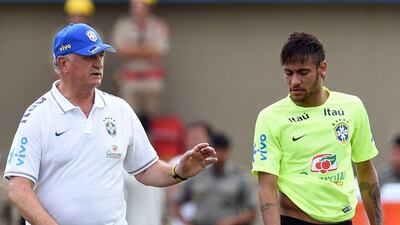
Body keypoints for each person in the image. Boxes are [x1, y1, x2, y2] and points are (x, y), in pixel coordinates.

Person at [3, 23, 217, 225]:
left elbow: (146, 169)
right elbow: (18, 189)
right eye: (88, 56)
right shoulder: (38, 115)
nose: (98, 62)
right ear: (63, 63)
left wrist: (178, 171)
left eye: (101, 54)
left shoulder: (119, 109)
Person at [251, 32, 382, 225]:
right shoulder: (270, 117)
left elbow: (366, 172)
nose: (294, 81)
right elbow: (267, 187)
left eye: (303, 72)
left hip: (343, 220)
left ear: (322, 68)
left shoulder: (352, 107)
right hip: (294, 219)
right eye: (288, 73)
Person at [172, 133, 258, 225]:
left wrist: (232, 221)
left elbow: (252, 212)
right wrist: (186, 222)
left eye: (222, 150)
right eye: (216, 149)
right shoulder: (198, 174)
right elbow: (175, 202)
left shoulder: (239, 177)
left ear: (228, 150)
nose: (219, 153)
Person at [111, 0, 169, 122]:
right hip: (130, 78)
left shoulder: (158, 25)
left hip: (151, 79)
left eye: (141, 5)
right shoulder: (123, 25)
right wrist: (146, 49)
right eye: (135, 5)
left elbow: (159, 53)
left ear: (149, 7)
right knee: (128, 117)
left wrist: (132, 49)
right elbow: (120, 51)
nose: (137, 9)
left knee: (151, 120)